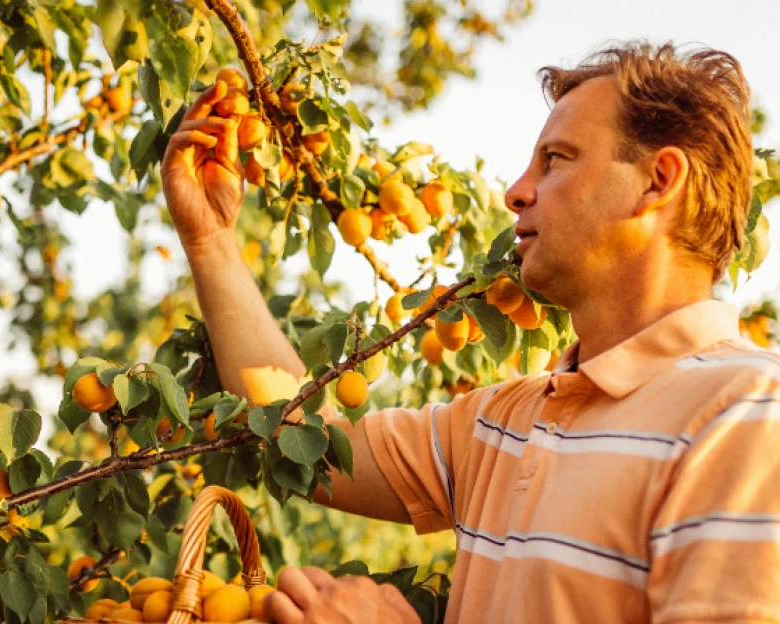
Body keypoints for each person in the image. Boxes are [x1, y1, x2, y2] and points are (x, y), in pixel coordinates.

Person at [162, 41, 778, 623]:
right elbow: (292, 435)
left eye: (556, 159)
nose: (516, 193)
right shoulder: (501, 424)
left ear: (657, 181)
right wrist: (210, 242)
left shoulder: (744, 419)